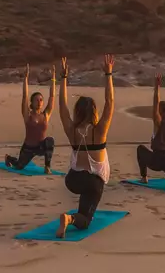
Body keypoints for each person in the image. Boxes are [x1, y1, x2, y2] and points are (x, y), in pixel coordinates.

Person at [54, 54, 115, 239]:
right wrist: (108, 75)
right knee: (85, 221)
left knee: (86, 191)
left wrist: (63, 78)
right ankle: (70, 219)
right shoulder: (99, 131)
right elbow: (110, 103)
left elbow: (62, 106)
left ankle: (78, 213)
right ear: (94, 112)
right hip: (91, 183)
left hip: (72, 181)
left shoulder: (72, 130)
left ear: (78, 111)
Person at [5, 64, 56, 173]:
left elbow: (52, 97)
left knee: (50, 140)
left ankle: (47, 166)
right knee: (19, 166)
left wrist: (53, 78)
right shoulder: (28, 115)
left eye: (41, 100)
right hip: (28, 147)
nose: (39, 102)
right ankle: (8, 158)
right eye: (36, 100)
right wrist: (26, 78)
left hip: (41, 147)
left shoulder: (46, 115)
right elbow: (25, 96)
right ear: (31, 102)